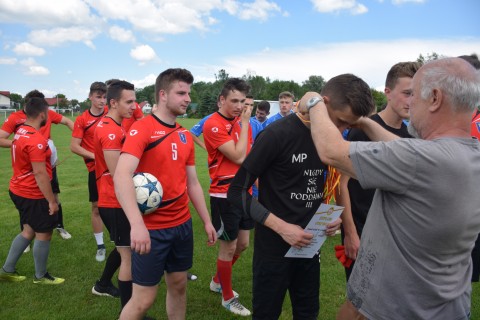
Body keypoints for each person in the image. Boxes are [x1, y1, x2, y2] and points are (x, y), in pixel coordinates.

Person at [303, 58, 480, 319]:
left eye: (414, 96)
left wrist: (314, 101)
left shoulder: (421, 160)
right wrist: (365, 122)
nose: (410, 105)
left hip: (396, 310)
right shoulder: (466, 155)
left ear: (434, 98)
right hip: (447, 307)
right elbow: (403, 151)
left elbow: (331, 151)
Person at [227, 73, 372, 319]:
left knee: (307, 312)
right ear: (323, 104)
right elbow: (237, 191)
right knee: (267, 313)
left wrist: (329, 217)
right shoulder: (277, 134)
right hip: (273, 249)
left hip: (309, 248)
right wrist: (282, 227)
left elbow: (322, 184)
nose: (343, 130)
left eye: (349, 126)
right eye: (341, 122)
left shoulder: (331, 141)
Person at [114, 68, 217, 320]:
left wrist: (206, 220)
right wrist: (137, 225)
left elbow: (192, 182)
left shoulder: (184, 134)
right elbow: (121, 175)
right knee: (144, 299)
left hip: (182, 225)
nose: (187, 98)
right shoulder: (143, 128)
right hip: (152, 230)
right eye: (181, 92)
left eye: (188, 93)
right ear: (162, 94)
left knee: (179, 285)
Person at [338, 61, 420, 281]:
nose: (411, 100)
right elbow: (342, 184)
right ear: (388, 92)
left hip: (397, 235)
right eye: (406, 93)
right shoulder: (364, 129)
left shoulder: (411, 135)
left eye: (416, 94)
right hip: (364, 230)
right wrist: (350, 232)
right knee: (361, 305)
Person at [202, 78, 253, 316]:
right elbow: (239, 156)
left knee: (242, 244)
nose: (239, 105)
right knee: (228, 247)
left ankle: (217, 280)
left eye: (243, 101)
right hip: (224, 195)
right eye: (234, 100)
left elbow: (250, 157)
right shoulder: (213, 124)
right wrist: (243, 123)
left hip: (245, 191)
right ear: (222, 100)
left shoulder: (243, 123)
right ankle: (227, 298)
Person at [0, 97, 64, 284]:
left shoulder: (20, 132)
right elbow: (39, 173)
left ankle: (7, 270)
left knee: (28, 230)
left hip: (18, 189)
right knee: (44, 233)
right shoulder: (36, 139)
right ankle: (40, 276)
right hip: (31, 193)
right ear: (42, 114)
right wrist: (52, 201)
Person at [0, 90, 74, 241]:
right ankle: (28, 234)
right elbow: (1, 139)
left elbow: (67, 121)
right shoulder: (17, 120)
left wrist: (80, 137)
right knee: (31, 201)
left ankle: (58, 225)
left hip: (47, 163)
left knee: (53, 195)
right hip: (31, 168)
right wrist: (22, 144)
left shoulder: (45, 117)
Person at [91, 80, 137, 303]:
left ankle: (102, 284)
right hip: (114, 200)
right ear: (113, 102)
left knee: (123, 249)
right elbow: (119, 173)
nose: (134, 106)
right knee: (127, 255)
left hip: (115, 199)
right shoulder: (110, 131)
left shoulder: (115, 125)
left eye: (135, 101)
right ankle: (128, 313)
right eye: (129, 102)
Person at [70, 82, 109, 262]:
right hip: (95, 170)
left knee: (123, 204)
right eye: (98, 97)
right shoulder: (82, 120)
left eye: (104, 97)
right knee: (96, 207)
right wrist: (96, 156)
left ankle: (122, 239)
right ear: (90, 97)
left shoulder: (112, 113)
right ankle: (100, 245)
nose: (102, 101)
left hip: (115, 167)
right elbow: (74, 147)